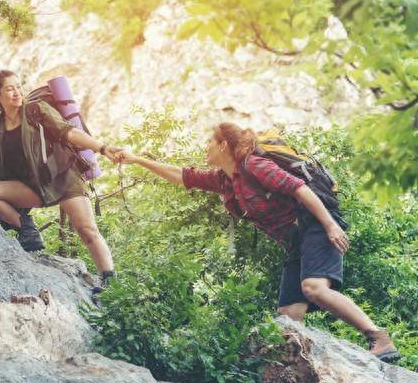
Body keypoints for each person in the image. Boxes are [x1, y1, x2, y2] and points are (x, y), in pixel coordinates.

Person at [114, 122, 400, 362]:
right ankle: (301, 367)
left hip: (314, 224)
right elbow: (182, 176)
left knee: (313, 288)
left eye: (209, 143)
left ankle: (379, 338)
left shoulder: (255, 165)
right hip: (294, 239)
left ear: (223, 145)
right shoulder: (225, 180)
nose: (206, 148)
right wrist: (137, 159)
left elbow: (299, 188)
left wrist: (330, 226)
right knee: (289, 314)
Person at [0, 70, 118, 292]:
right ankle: (26, 228)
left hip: (63, 178)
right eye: (10, 89)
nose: (17, 92)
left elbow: (68, 133)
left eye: (19, 87)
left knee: (87, 230)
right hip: (32, 188)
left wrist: (102, 148)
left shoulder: (36, 110)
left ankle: (110, 282)